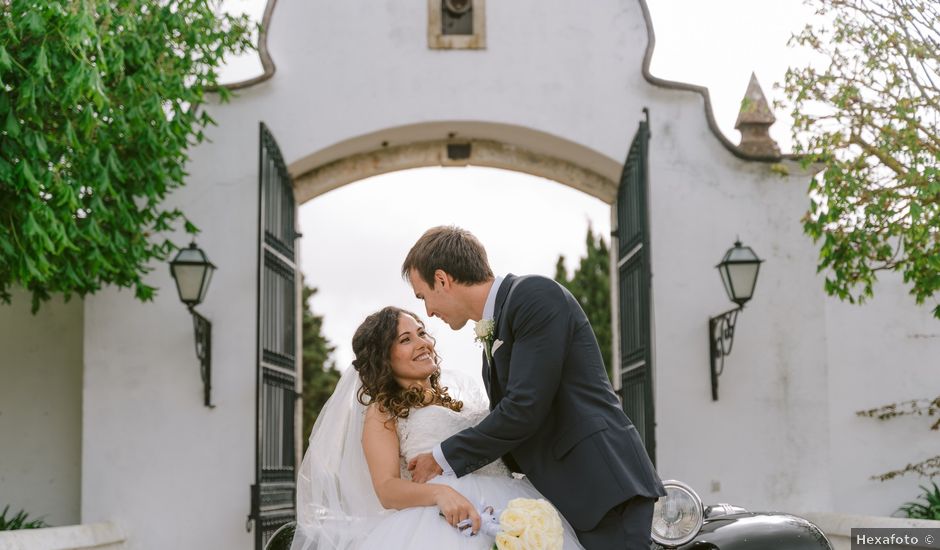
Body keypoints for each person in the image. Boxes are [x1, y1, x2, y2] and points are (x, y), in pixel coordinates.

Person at [402, 226, 666, 550]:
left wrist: (442, 456)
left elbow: (524, 408)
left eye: (422, 296)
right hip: (566, 499)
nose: (428, 311)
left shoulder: (533, 295)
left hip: (601, 489)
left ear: (442, 279)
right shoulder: (496, 329)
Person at [290, 306, 583, 550]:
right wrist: (441, 495)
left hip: (509, 509)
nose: (423, 343)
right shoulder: (383, 412)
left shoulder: (459, 398)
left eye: (421, 333)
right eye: (406, 339)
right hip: (442, 526)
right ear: (384, 358)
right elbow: (387, 489)